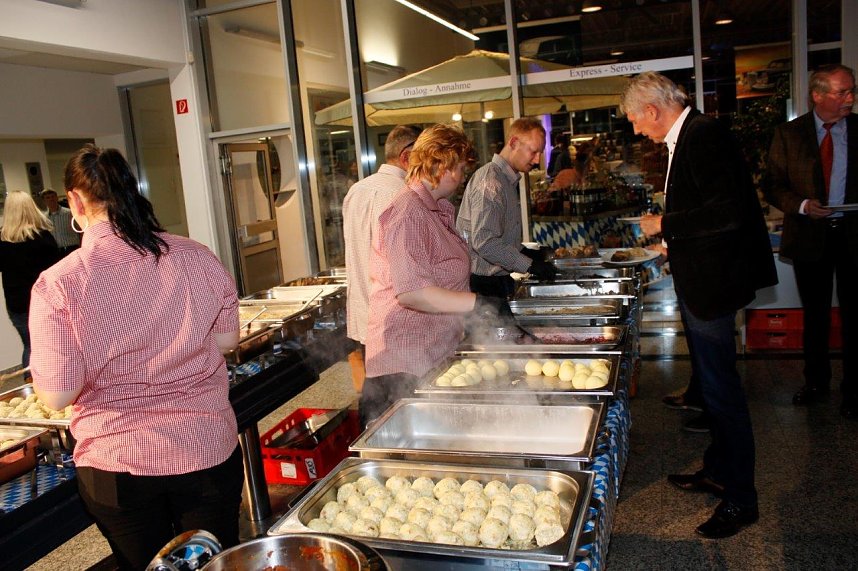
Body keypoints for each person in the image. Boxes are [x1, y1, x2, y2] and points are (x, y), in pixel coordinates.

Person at [29, 144, 243, 571]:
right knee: (213, 562)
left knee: (146, 564)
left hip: (119, 463)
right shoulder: (194, 255)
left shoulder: (59, 284)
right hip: (204, 447)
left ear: (74, 200)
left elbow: (58, 395)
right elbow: (226, 342)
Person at [624, 71, 777, 538]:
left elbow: (726, 212)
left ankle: (741, 500)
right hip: (702, 276)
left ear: (652, 110)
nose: (634, 130)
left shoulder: (704, 134)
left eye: (634, 119)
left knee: (723, 393)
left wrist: (665, 224)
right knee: (711, 391)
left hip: (714, 284)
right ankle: (717, 469)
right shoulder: (688, 135)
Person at [361, 124, 500, 428]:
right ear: (440, 163)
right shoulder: (407, 212)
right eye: (461, 168)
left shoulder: (438, 209)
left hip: (435, 352)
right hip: (404, 365)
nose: (462, 177)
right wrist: (478, 302)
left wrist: (479, 287)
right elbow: (413, 293)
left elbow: (440, 271)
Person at [764, 64, 857, 419]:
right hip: (810, 236)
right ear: (817, 95)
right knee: (815, 316)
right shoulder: (790, 134)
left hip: (852, 235)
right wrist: (802, 206)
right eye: (841, 92)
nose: (849, 99)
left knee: (854, 317)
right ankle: (816, 383)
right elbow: (772, 184)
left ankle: (854, 391)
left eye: (851, 91)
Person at [343, 125, 421, 393]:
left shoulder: (356, 190)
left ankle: (368, 433)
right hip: (393, 319)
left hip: (366, 314)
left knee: (375, 390)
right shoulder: (401, 195)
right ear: (407, 157)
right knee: (395, 397)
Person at [456, 117, 556, 299]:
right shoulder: (491, 182)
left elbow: (499, 237)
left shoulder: (505, 179)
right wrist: (529, 265)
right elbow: (485, 242)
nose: (537, 159)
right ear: (514, 142)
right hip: (482, 285)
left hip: (496, 282)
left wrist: (528, 253)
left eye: (540, 153)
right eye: (533, 151)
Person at [0, 190, 61, 369]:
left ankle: (32, 386)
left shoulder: (3, 240)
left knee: (30, 347)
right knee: (53, 348)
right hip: (44, 303)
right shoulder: (43, 238)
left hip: (17, 306)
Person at [40, 188, 80, 256]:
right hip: (54, 252)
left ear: (57, 198)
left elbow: (79, 230)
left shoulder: (69, 213)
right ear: (44, 201)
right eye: (48, 198)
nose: (51, 199)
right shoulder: (43, 218)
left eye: (53, 196)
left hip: (71, 249)